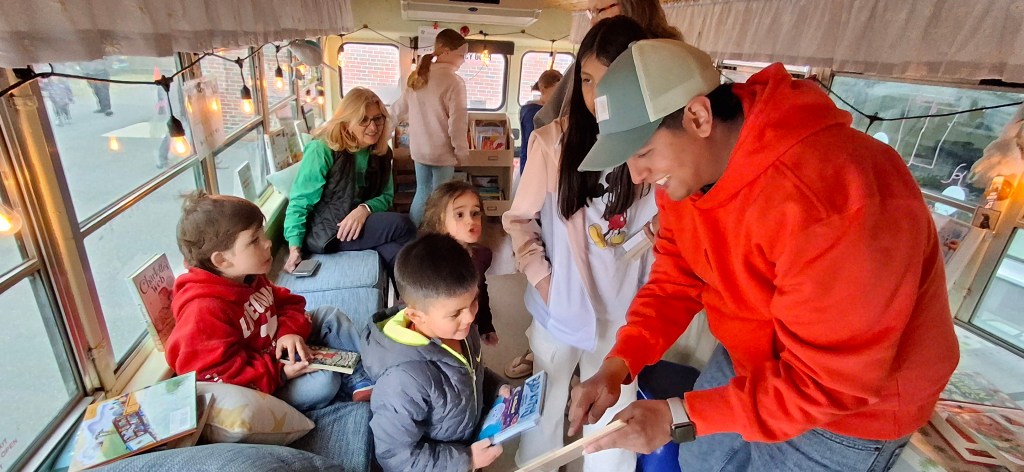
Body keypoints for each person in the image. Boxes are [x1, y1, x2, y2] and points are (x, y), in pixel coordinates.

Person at [569, 39, 960, 471]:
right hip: (751, 357)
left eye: (643, 153)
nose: (638, 176)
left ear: (698, 116)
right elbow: (677, 278)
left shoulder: (828, 199)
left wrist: (681, 415)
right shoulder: (686, 176)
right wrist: (620, 363)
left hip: (848, 410)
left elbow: (827, 384)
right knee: (701, 462)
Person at [503, 17, 657, 472]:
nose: (597, 96)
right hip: (559, 309)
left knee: (610, 427)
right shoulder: (554, 142)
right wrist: (545, 280)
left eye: (611, 82)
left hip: (625, 316)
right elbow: (518, 221)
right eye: (587, 80)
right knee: (545, 411)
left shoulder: (659, 144)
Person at [164, 192, 374, 412]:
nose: (267, 243)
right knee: (323, 383)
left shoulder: (248, 276)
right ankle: (344, 381)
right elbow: (216, 379)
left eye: (262, 234)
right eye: (254, 240)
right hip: (268, 382)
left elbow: (289, 303)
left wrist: (288, 332)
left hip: (283, 349)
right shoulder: (202, 312)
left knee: (329, 315)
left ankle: (362, 374)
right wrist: (280, 373)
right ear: (222, 260)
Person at [361, 233, 504, 472]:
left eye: (473, 302)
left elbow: (470, 371)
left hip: (466, 442)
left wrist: (498, 388)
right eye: (456, 313)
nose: (470, 316)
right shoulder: (402, 381)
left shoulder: (460, 330)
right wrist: (466, 460)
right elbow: (395, 456)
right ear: (416, 316)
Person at [283, 87, 415, 276]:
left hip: (358, 224)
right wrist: (294, 248)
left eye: (378, 118)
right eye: (363, 120)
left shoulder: (382, 152)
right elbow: (300, 202)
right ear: (347, 121)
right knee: (403, 224)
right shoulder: (322, 149)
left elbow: (387, 196)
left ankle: (414, 295)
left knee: (394, 250)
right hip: (327, 231)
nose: (373, 127)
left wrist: (364, 209)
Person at [532, 0, 682, 131]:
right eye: (590, 13)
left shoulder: (669, 61)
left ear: (632, 5)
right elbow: (547, 122)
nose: (592, 22)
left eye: (598, 11)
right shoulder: (587, 63)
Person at [390, 29, 470, 226]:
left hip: (420, 151)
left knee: (422, 191)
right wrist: (462, 151)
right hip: (442, 152)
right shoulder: (454, 82)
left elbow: (397, 110)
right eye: (461, 55)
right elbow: (457, 123)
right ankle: (435, 238)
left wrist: (383, 135)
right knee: (442, 197)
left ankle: (414, 236)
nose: (463, 60)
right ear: (445, 52)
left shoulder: (418, 77)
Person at [420, 180, 498, 346]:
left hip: (468, 329)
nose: (471, 221)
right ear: (439, 221)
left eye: (475, 213)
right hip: (437, 337)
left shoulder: (481, 255)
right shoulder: (429, 261)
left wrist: (486, 325)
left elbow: (480, 290)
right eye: (459, 215)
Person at [519, 69, 563, 175]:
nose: (559, 97)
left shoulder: (545, 110)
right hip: (533, 165)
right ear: (543, 89)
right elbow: (534, 144)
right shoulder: (533, 112)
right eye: (556, 92)